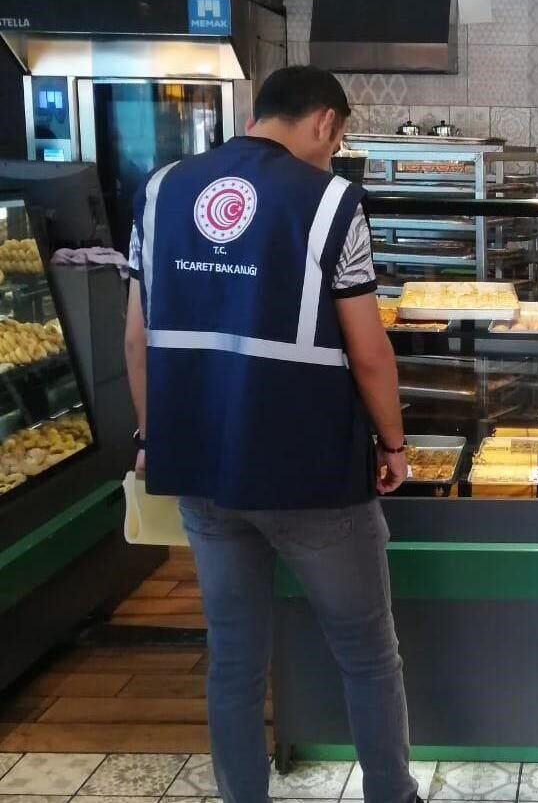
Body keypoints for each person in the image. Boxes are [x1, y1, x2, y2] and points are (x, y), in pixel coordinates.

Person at [123, 66, 422, 803]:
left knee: (233, 659)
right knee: (367, 654)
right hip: (311, 469)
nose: (334, 152)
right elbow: (369, 350)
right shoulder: (331, 200)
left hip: (202, 466)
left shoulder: (162, 190)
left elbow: (136, 338)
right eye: (338, 139)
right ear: (324, 122)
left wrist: (151, 437)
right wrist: (393, 446)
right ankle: (391, 795)